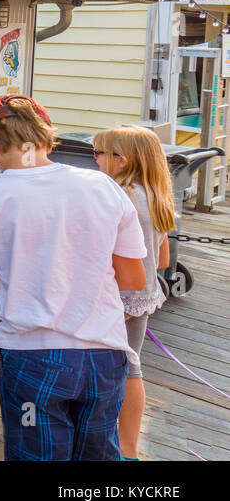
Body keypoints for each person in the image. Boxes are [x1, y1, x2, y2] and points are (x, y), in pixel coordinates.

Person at [0, 95, 148, 461]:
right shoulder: (104, 186)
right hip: (104, 355)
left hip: (32, 357)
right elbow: (133, 277)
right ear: (48, 135)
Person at [92, 125, 173, 461]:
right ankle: (128, 449)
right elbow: (164, 258)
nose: (94, 160)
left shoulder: (118, 197)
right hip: (142, 297)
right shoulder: (154, 196)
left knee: (98, 367)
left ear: (120, 161)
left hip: (114, 297)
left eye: (97, 153)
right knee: (130, 366)